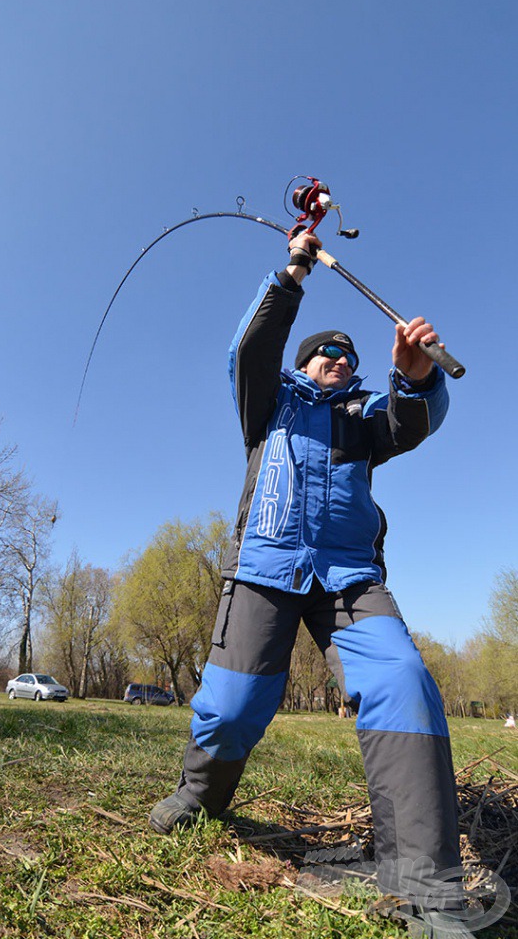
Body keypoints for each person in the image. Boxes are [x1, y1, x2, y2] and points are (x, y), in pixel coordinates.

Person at [150, 230, 468, 930]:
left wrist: (417, 378)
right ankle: (198, 797)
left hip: (350, 580)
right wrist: (293, 270)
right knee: (231, 706)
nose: (338, 359)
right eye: (326, 353)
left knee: (404, 684)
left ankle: (427, 890)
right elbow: (251, 349)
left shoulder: (362, 420)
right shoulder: (266, 406)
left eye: (348, 356)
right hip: (264, 571)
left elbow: (413, 422)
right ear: (304, 364)